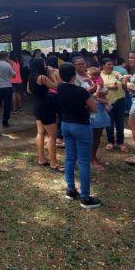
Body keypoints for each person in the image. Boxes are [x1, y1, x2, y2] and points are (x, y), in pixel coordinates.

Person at [57, 62, 100, 209]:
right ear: (74, 75)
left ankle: (70, 189)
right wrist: (85, 105)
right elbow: (94, 108)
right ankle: (85, 197)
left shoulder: (59, 88)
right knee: (83, 162)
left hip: (66, 125)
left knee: (69, 158)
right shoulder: (80, 91)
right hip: (81, 125)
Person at [73, 56, 109, 171]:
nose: (82, 65)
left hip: (99, 107)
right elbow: (78, 93)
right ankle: (89, 158)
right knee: (89, 135)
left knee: (98, 133)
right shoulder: (75, 78)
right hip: (87, 109)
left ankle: (93, 156)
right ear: (74, 66)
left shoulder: (91, 74)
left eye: (83, 63)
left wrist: (101, 89)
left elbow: (103, 88)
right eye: (79, 64)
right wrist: (94, 89)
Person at [30, 57, 62, 171]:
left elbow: (28, 91)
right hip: (45, 106)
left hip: (37, 105)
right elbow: (56, 87)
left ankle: (42, 159)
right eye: (44, 63)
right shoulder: (42, 77)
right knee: (52, 136)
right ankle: (54, 163)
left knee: (40, 133)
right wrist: (53, 75)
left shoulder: (31, 77)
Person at [101, 58, 128, 151]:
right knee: (109, 122)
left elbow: (124, 88)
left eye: (112, 64)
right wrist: (109, 87)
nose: (111, 66)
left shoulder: (117, 74)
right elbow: (96, 87)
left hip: (120, 100)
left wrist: (124, 82)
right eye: (109, 64)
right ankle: (110, 141)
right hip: (106, 101)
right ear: (103, 65)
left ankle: (120, 142)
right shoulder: (99, 75)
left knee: (120, 122)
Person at [0, 51, 16, 128]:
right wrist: (11, 65)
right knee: (7, 105)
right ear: (6, 57)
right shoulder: (8, 65)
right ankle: (5, 122)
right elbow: (14, 76)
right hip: (7, 87)